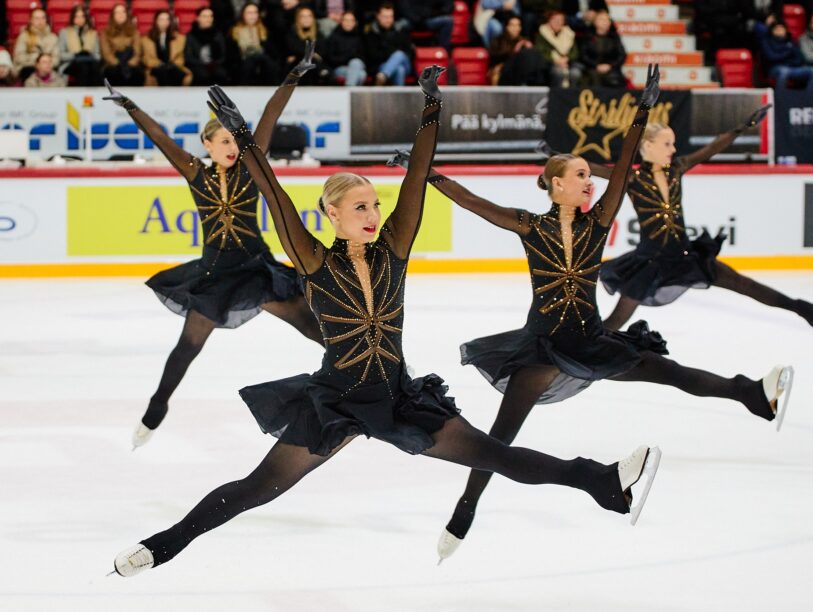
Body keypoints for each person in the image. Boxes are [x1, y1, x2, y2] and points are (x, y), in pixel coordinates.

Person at [111, 65, 662, 577]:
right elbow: (276, 197)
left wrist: (431, 109)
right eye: (360, 209)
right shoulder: (312, 260)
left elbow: (418, 178)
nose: (373, 216)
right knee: (260, 487)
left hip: (399, 397)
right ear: (331, 215)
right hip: (338, 400)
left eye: (375, 205)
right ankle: (163, 545)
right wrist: (249, 142)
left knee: (501, 457)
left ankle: (605, 483)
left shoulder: (395, 247)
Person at [390, 67, 794, 564]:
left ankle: (751, 394)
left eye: (588, 176)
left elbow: (623, 171)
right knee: (499, 437)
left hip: (591, 338)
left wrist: (642, 111)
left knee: (670, 372)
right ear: (555, 184)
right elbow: (473, 202)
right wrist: (425, 173)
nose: (589, 183)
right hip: (540, 346)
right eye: (580, 176)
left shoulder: (598, 223)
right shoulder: (529, 225)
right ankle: (465, 508)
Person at [102, 43, 324, 449]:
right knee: (187, 347)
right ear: (206, 145)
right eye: (221, 140)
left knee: (310, 325)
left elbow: (270, 117)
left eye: (232, 139)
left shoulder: (252, 165)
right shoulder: (195, 174)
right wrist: (130, 105)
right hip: (215, 274)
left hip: (257, 270)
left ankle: (376, 367)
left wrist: (293, 76)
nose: (231, 145)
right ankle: (156, 409)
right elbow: (160, 138)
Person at [588, 107, 813, 335]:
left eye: (673, 144)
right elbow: (592, 168)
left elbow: (711, 149)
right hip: (650, 263)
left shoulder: (676, 169)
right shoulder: (632, 180)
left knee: (743, 284)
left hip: (686, 256)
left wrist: (742, 128)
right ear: (648, 146)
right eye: (667, 144)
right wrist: (553, 155)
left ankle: (810, 312)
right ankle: (580, 350)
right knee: (615, 322)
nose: (674, 149)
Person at [755, 18, 813, 90]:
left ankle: (809, 98)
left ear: (786, 30)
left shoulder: (791, 41)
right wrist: (788, 52)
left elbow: (800, 59)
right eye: (777, 28)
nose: (779, 30)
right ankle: (781, 98)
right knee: (784, 72)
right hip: (774, 69)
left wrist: (787, 60)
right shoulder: (767, 41)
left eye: (782, 28)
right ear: (772, 30)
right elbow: (771, 57)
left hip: (792, 67)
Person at [364, 2, 413, 86]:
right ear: (378, 16)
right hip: (382, 65)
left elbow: (410, 52)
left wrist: (392, 54)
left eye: (391, 16)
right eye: (385, 17)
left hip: (405, 63)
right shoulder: (372, 33)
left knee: (399, 55)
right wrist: (392, 55)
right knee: (399, 70)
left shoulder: (400, 30)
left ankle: (383, 76)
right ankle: (398, 97)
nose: (388, 20)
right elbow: (373, 56)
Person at [488, 14, 545, 86]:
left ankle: (536, 84)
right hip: (504, 72)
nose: (516, 28)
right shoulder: (498, 40)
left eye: (518, 25)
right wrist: (515, 51)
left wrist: (530, 48)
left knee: (535, 53)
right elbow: (495, 57)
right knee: (525, 55)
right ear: (507, 27)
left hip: (521, 72)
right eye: (513, 25)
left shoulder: (523, 41)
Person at [231, 2, 279, 85]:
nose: (252, 16)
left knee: (267, 62)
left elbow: (273, 53)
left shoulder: (265, 31)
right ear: (243, 14)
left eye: (255, 12)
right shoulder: (234, 32)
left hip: (263, 65)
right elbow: (232, 56)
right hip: (243, 65)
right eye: (249, 13)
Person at [141, 10, 192, 86]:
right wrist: (160, 64)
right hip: (156, 67)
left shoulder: (180, 38)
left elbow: (181, 57)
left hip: (174, 67)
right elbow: (146, 58)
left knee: (174, 71)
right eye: (161, 19)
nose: (164, 22)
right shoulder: (146, 39)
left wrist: (171, 65)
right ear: (156, 21)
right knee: (162, 71)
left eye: (167, 19)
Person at [579, 9, 626, 88]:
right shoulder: (588, 36)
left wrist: (610, 65)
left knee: (614, 80)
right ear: (595, 22)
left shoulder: (614, 37)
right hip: (591, 68)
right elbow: (583, 55)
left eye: (607, 19)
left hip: (611, 69)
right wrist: (596, 65)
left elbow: (622, 55)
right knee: (593, 79)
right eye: (601, 19)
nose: (605, 22)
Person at [58, 4, 102, 86]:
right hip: (70, 63)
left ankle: (96, 95)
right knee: (83, 66)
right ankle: (83, 95)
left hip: (90, 62)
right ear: (72, 18)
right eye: (77, 16)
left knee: (93, 66)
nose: (80, 19)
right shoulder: (64, 32)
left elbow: (98, 56)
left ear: (86, 18)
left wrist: (89, 55)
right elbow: (61, 55)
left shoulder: (93, 33)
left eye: (82, 16)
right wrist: (75, 55)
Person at [534, 10, 580, 88]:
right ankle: (557, 98)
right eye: (555, 20)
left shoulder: (569, 34)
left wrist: (567, 58)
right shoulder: (542, 34)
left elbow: (575, 52)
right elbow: (540, 52)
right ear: (549, 21)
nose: (558, 22)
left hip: (568, 63)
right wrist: (555, 60)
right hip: (549, 64)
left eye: (560, 20)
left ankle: (572, 97)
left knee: (575, 73)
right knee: (558, 73)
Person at [185, 7, 230, 85]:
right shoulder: (191, 35)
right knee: (202, 75)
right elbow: (189, 57)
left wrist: (214, 64)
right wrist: (202, 65)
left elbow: (223, 55)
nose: (208, 19)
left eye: (210, 16)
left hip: (215, 65)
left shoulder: (218, 35)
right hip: (197, 66)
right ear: (198, 18)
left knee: (221, 74)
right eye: (205, 16)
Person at [100, 3, 143, 86]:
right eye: (117, 12)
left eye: (123, 12)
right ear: (113, 16)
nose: (121, 15)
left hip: (130, 63)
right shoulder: (105, 33)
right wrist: (119, 64)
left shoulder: (134, 32)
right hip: (113, 64)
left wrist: (129, 64)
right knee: (113, 73)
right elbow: (106, 54)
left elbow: (137, 53)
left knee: (137, 74)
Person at [13, 8, 59, 83]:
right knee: (27, 70)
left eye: (43, 18)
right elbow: (19, 57)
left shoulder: (53, 37)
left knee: (56, 71)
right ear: (31, 20)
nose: (40, 21)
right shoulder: (24, 36)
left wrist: (46, 64)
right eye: (37, 18)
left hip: (49, 68)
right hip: (29, 66)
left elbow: (56, 58)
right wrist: (37, 62)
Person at [322, 10, 368, 86]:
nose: (348, 23)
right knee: (361, 75)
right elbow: (330, 58)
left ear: (355, 23)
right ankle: (351, 92)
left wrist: (352, 59)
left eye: (351, 20)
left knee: (355, 63)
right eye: (346, 20)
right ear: (341, 22)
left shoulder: (360, 37)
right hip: (339, 68)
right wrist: (349, 57)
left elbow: (364, 58)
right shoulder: (334, 37)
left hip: (357, 66)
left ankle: (348, 90)